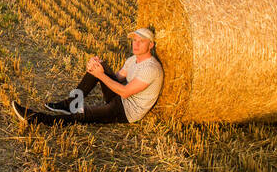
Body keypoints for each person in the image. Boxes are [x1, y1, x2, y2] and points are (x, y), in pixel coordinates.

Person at [11, 27, 163, 126]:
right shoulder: (132, 60)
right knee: (100, 65)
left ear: (151, 45)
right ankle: (70, 103)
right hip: (120, 98)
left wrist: (100, 75)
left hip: (126, 111)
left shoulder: (150, 68)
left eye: (141, 41)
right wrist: (95, 68)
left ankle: (36, 119)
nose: (135, 45)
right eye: (134, 40)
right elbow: (117, 78)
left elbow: (125, 92)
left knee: (83, 115)